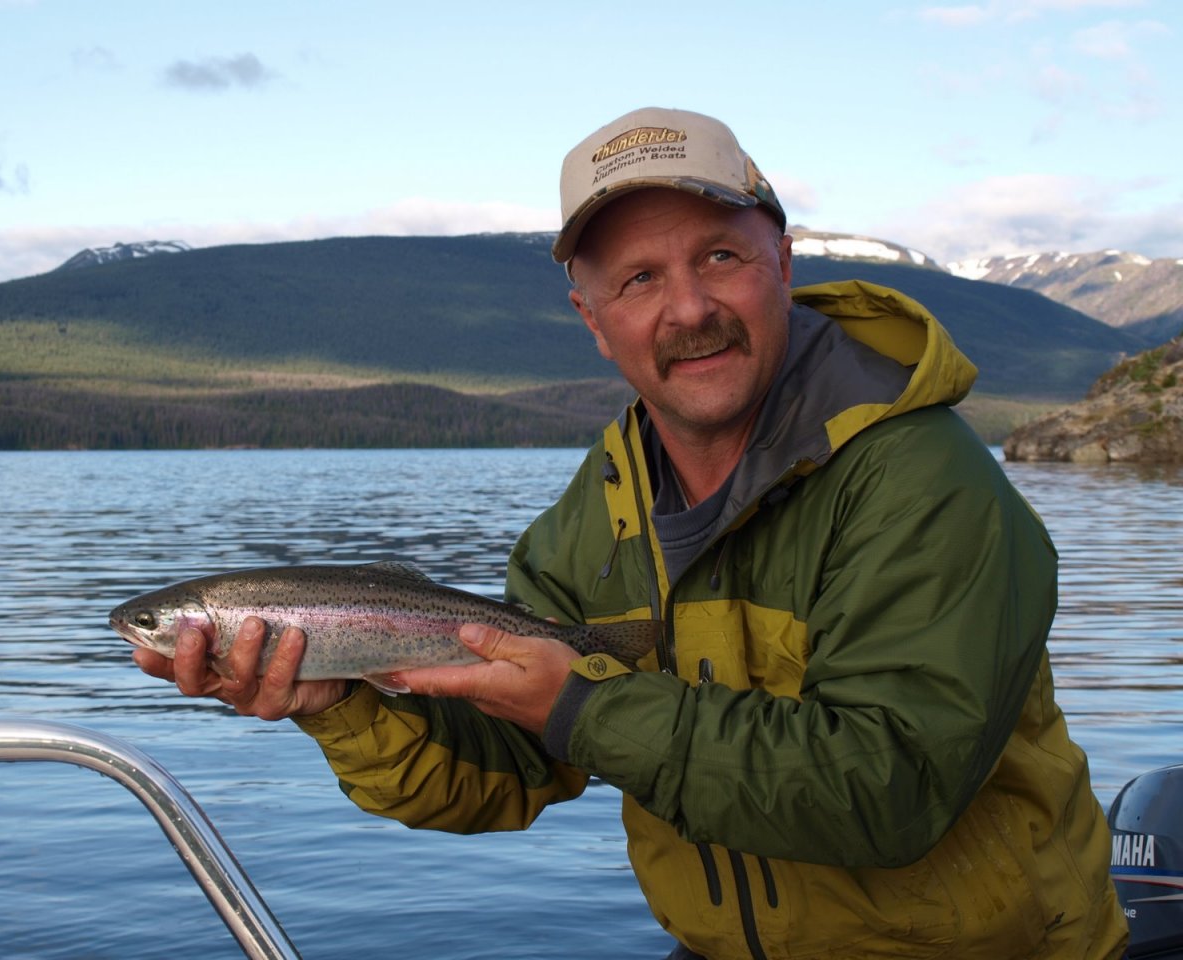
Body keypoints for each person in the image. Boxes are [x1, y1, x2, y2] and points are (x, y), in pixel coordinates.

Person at [135, 107, 1129, 959]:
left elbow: (886, 789)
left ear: (781, 262)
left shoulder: (918, 480)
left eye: (719, 257)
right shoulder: (584, 532)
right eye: (639, 279)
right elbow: (499, 773)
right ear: (591, 318)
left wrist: (586, 707)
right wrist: (335, 705)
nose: (688, 308)